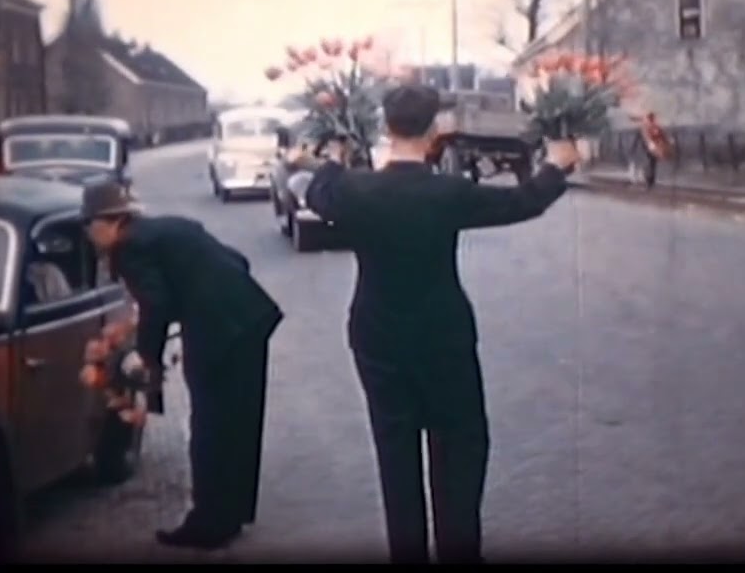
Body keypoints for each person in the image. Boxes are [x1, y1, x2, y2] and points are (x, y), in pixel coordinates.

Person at [290, 83, 580, 564]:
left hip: (377, 334)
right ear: (434, 131)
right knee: (461, 445)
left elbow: (321, 189)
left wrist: (334, 156)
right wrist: (558, 165)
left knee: (395, 449)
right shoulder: (448, 193)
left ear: (386, 127)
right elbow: (523, 202)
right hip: (442, 334)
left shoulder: (354, 191)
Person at [80, 181, 284, 550]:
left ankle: (207, 522)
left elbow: (156, 304)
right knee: (240, 421)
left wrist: (147, 359)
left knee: (209, 425)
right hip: (250, 318)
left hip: (218, 334)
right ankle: (233, 513)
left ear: (107, 222)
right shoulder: (167, 228)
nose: (89, 235)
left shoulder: (130, 247)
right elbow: (236, 260)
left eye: (88, 225)